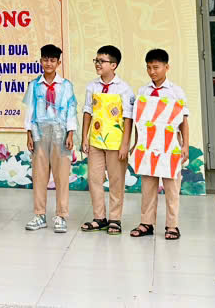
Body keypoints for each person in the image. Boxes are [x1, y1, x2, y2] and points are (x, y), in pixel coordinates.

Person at [131, 48, 189, 241]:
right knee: (148, 186)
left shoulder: (176, 92)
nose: (152, 72)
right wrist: (136, 143)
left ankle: (172, 225)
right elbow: (139, 121)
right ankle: (146, 223)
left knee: (172, 188)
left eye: (156, 67)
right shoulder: (143, 91)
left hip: (170, 145)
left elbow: (184, 121)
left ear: (166, 67)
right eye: (149, 68)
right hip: (147, 146)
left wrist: (185, 145)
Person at [24, 44, 78, 233]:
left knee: (62, 176)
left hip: (60, 133)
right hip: (39, 133)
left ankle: (61, 215)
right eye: (45, 60)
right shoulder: (34, 85)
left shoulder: (66, 86)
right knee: (39, 175)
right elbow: (29, 110)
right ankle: (39, 215)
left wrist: (70, 133)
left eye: (52, 60)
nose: (48, 63)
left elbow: (71, 110)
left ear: (58, 63)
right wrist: (29, 134)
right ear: (40, 61)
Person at [80, 45, 134, 235]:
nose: (97, 64)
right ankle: (99, 218)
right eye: (96, 60)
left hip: (116, 143)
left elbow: (128, 118)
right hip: (96, 141)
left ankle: (115, 219)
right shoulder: (92, 87)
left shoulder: (124, 89)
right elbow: (88, 112)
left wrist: (125, 144)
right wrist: (85, 137)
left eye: (101, 61)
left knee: (116, 181)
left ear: (113, 65)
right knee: (94, 179)